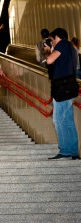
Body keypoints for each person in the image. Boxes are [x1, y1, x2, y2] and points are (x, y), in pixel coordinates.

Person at [44, 28, 79, 160]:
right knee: (68, 121)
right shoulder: (70, 47)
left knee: (58, 120)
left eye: (52, 40)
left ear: (57, 37)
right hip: (68, 87)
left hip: (62, 89)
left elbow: (49, 61)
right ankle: (73, 151)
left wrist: (48, 51)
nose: (52, 43)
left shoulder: (63, 44)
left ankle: (64, 151)